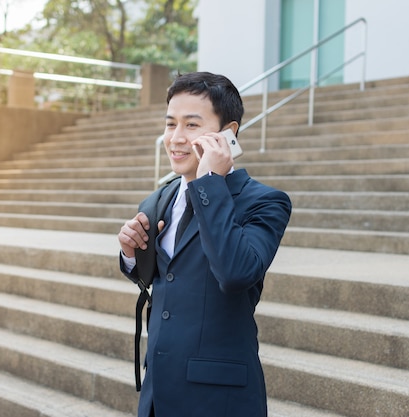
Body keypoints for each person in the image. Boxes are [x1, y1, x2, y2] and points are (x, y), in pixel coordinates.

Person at [117, 71, 292, 417]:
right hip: (158, 392)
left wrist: (210, 181)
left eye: (192, 125)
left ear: (228, 134)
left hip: (218, 398)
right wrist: (130, 254)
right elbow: (164, 278)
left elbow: (236, 272)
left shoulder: (265, 202)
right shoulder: (160, 198)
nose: (176, 138)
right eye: (170, 124)